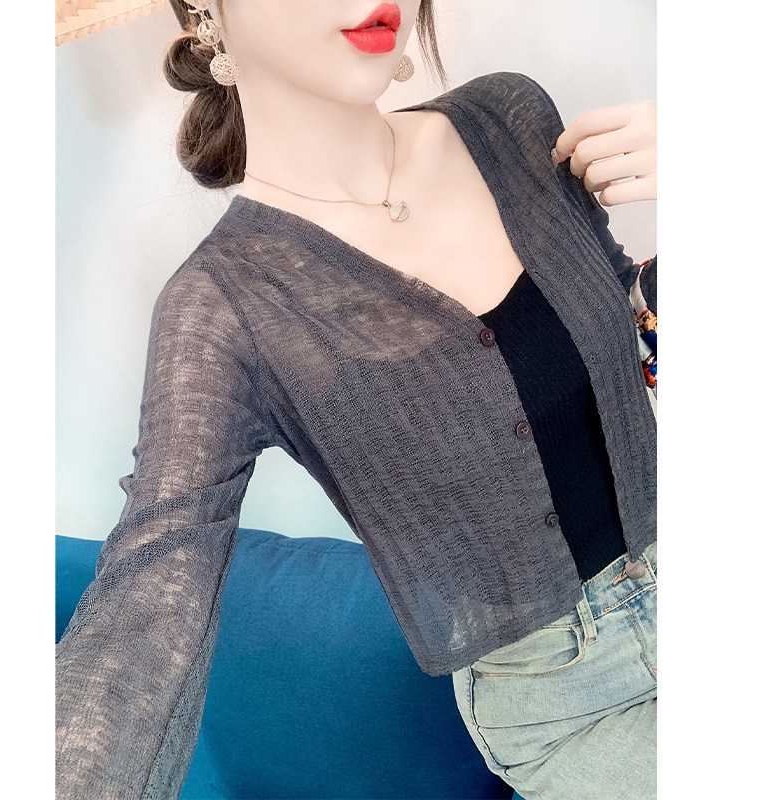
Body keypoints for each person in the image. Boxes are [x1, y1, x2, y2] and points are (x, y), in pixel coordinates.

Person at [55, 2, 658, 799]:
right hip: (572, 705)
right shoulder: (226, 303)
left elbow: (636, 334)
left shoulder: (511, 120)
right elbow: (151, 588)